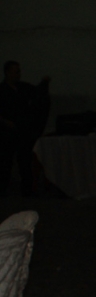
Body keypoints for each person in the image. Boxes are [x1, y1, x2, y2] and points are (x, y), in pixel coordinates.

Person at [0, 60, 50, 197]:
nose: (18, 74)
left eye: (19, 71)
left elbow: (38, 93)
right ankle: (3, 189)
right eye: (16, 71)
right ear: (7, 72)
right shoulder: (2, 90)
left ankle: (27, 190)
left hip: (22, 131)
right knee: (5, 161)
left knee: (24, 161)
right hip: (6, 133)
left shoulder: (23, 88)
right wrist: (4, 121)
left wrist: (44, 83)